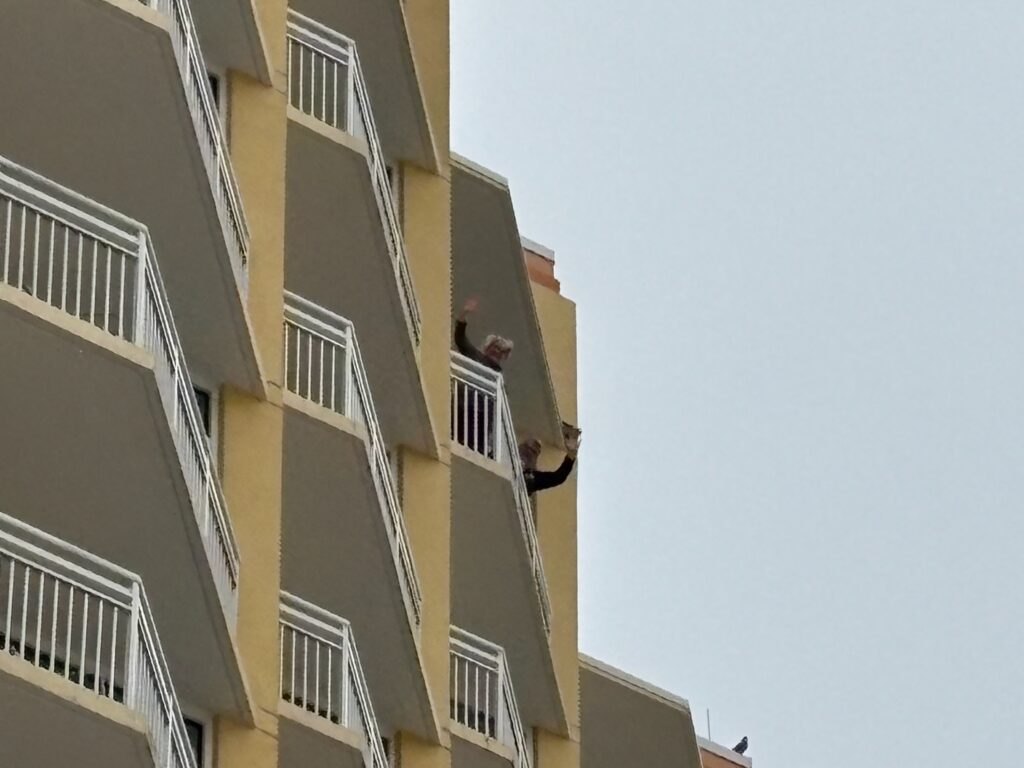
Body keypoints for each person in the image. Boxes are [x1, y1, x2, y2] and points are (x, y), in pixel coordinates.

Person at [454, 297, 513, 371]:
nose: (497, 351)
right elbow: (460, 338)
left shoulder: (497, 374)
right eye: (496, 347)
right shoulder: (475, 355)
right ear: (488, 346)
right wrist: (465, 312)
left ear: (504, 356)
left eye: (502, 351)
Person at [519, 425, 581, 494]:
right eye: (528, 447)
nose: (530, 452)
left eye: (534, 452)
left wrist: (571, 455)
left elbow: (558, 477)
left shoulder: (530, 477)